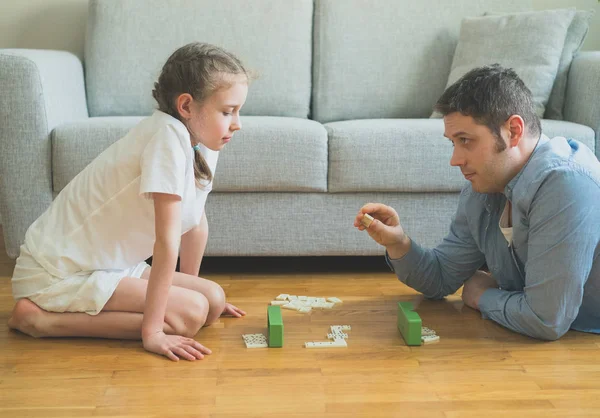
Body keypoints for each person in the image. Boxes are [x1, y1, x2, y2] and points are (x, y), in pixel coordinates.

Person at [8, 42, 249, 361]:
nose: (237, 123)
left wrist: (193, 291)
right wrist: (153, 332)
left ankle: (182, 309)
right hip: (61, 270)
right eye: (227, 111)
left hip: (109, 264)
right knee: (190, 316)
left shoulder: (201, 141)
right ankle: (40, 320)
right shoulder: (166, 139)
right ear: (187, 106)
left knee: (212, 301)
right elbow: (166, 242)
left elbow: (195, 222)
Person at [355, 64, 600, 341]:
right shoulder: (484, 188)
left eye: (466, 141)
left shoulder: (565, 183)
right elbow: (440, 278)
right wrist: (398, 243)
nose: (455, 160)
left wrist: (481, 295)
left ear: (513, 131)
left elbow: (546, 319)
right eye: (453, 143)